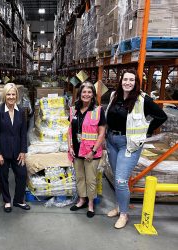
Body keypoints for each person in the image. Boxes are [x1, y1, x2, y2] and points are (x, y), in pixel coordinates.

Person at [105, 69, 168, 229]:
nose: (127, 82)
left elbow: (162, 116)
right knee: (116, 176)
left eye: (131, 80)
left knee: (120, 180)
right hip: (112, 141)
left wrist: (146, 130)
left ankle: (124, 214)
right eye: (125, 79)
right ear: (121, 81)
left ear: (136, 83)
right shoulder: (114, 96)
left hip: (129, 144)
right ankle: (119, 207)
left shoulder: (142, 99)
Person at [68, 81, 106, 218]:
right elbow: (70, 130)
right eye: (84, 92)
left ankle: (90, 204)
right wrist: (70, 146)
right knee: (80, 177)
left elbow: (101, 133)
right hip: (77, 151)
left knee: (91, 179)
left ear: (93, 95)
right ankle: (82, 200)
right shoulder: (73, 109)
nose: (86, 94)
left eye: (89, 92)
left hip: (91, 152)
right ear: (80, 94)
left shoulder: (98, 110)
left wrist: (93, 151)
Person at [0, 83, 30, 213]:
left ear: (17, 96)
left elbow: (23, 133)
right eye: (8, 94)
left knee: (22, 175)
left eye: (13, 94)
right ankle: (7, 201)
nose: (11, 97)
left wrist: (23, 151)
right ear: (4, 95)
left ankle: (18, 200)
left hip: (18, 152)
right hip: (3, 152)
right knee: (3, 177)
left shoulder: (21, 111)